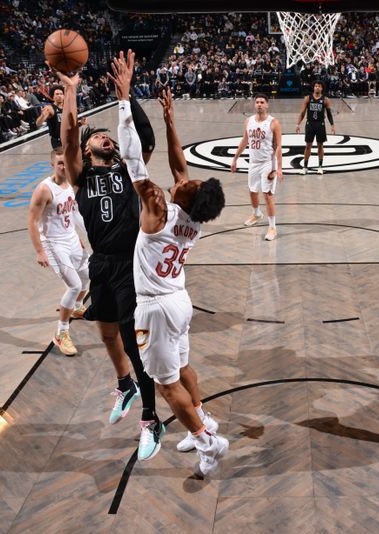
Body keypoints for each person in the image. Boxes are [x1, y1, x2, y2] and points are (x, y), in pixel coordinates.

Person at [108, 51, 229, 474]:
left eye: (190, 183)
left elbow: (133, 160)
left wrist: (124, 100)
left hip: (156, 307)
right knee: (182, 368)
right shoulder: (190, 218)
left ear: (188, 197)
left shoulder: (159, 210)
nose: (186, 177)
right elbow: (179, 163)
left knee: (164, 383)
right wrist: (171, 119)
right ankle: (203, 415)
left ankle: (206, 441)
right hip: (178, 301)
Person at [53, 54, 162, 462]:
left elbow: (140, 141)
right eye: (98, 136)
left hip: (130, 263)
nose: (107, 139)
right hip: (100, 262)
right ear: (86, 149)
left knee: (137, 346)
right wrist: (71, 93)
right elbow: (66, 141)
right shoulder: (81, 175)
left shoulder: (128, 170)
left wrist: (127, 98)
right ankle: (126, 385)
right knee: (106, 333)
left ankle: (151, 419)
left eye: (109, 137)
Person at [27, 149, 89, 356]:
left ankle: (78, 307)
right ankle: (61, 333)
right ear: (52, 165)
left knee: (88, 277)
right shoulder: (44, 189)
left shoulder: (72, 183)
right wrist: (40, 251)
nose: (64, 166)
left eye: (66, 163)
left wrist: (84, 235)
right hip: (54, 244)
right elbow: (32, 221)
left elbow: (73, 212)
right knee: (75, 285)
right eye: (60, 163)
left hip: (71, 239)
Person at [231, 93, 283, 241]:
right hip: (253, 162)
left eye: (262, 102)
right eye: (257, 102)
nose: (259, 104)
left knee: (267, 195)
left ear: (267, 105)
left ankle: (272, 227)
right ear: (255, 105)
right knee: (253, 191)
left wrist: (279, 167)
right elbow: (244, 141)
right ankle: (256, 214)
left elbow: (279, 146)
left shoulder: (274, 123)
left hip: (268, 163)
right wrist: (235, 159)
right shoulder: (248, 121)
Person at [295, 80, 336, 175]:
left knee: (320, 146)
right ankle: (305, 167)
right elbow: (302, 113)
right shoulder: (307, 98)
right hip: (310, 124)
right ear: (313, 87)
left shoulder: (325, 99)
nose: (317, 87)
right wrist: (298, 124)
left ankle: (320, 167)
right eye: (316, 86)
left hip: (320, 124)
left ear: (322, 88)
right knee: (308, 146)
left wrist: (332, 125)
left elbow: (329, 114)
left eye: (319, 86)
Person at [36, 85, 65, 149]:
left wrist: (80, 123)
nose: (59, 95)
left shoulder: (67, 107)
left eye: (61, 94)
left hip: (69, 139)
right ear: (53, 96)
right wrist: (42, 116)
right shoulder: (50, 108)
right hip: (58, 142)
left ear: (64, 96)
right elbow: (38, 123)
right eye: (57, 94)